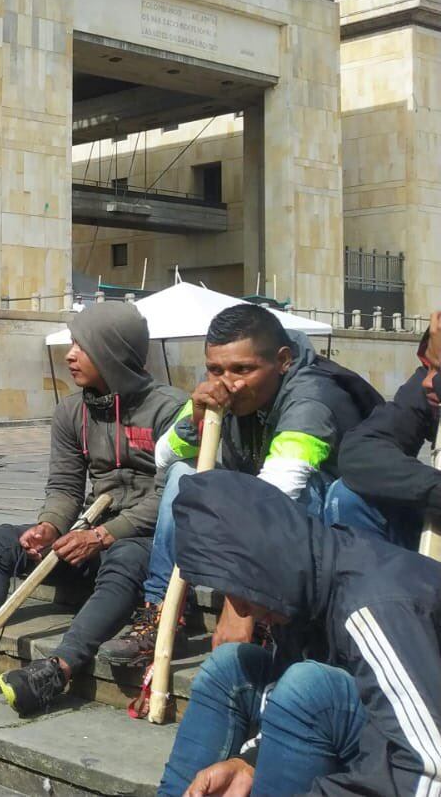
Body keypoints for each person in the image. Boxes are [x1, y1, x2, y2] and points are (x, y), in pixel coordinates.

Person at [0, 302, 185, 716]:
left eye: (83, 346)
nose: (70, 355)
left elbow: (171, 494)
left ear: (113, 351)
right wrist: (49, 527)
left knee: (126, 558)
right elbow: (65, 486)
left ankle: (57, 668)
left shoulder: (170, 408)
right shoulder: (71, 412)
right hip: (86, 530)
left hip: (142, 541)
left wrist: (103, 535)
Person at [100, 303, 380, 667]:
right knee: (184, 476)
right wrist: (197, 418)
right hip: (261, 509)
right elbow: (163, 456)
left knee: (306, 488)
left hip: (330, 525)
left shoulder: (312, 397)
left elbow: (280, 491)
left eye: (242, 370)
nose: (227, 382)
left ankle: (270, 616)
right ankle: (162, 612)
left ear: (282, 361)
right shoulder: (222, 389)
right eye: (215, 369)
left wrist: (240, 601)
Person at [158, 470, 441, 797]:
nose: (241, 609)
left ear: (263, 561)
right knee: (229, 667)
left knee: (308, 688)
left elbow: (429, 769)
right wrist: (251, 762)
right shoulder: (297, 592)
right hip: (383, 733)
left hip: (421, 755)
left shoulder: (375, 605)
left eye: (237, 589)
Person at [326, 311, 441, 550]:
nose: (428, 382)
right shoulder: (426, 390)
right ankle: (373, 585)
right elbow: (360, 451)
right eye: (428, 366)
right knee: (348, 495)